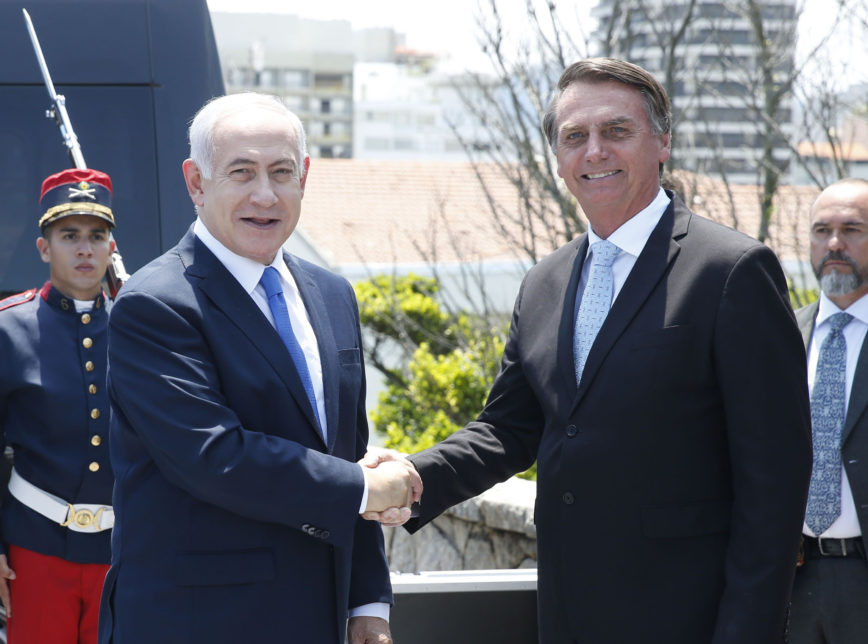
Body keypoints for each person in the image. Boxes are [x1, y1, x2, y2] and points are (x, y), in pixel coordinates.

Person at [365, 58, 813, 643]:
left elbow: (774, 484)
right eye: (574, 136)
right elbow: (508, 428)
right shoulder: (544, 282)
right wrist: (413, 475)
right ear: (558, 159)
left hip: (688, 619)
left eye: (616, 130)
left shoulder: (731, 271)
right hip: (567, 614)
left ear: (663, 143)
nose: (594, 151)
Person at [97, 93, 420, 644]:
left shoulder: (332, 294)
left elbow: (346, 450)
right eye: (242, 172)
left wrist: (368, 601)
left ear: (304, 177)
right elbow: (214, 456)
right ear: (196, 182)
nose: (265, 194)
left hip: (318, 619)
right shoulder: (155, 304)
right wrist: (366, 489)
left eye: (281, 172)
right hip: (198, 624)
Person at [0, 168, 118, 643]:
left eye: (96, 236)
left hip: (122, 552)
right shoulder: (8, 330)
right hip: (35, 549)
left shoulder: (139, 330)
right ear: (44, 248)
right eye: (69, 235)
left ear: (111, 247)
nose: (85, 248)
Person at [790, 178, 868, 643]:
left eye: (852, 230)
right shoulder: (780, 335)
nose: (834, 244)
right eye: (822, 231)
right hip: (792, 579)